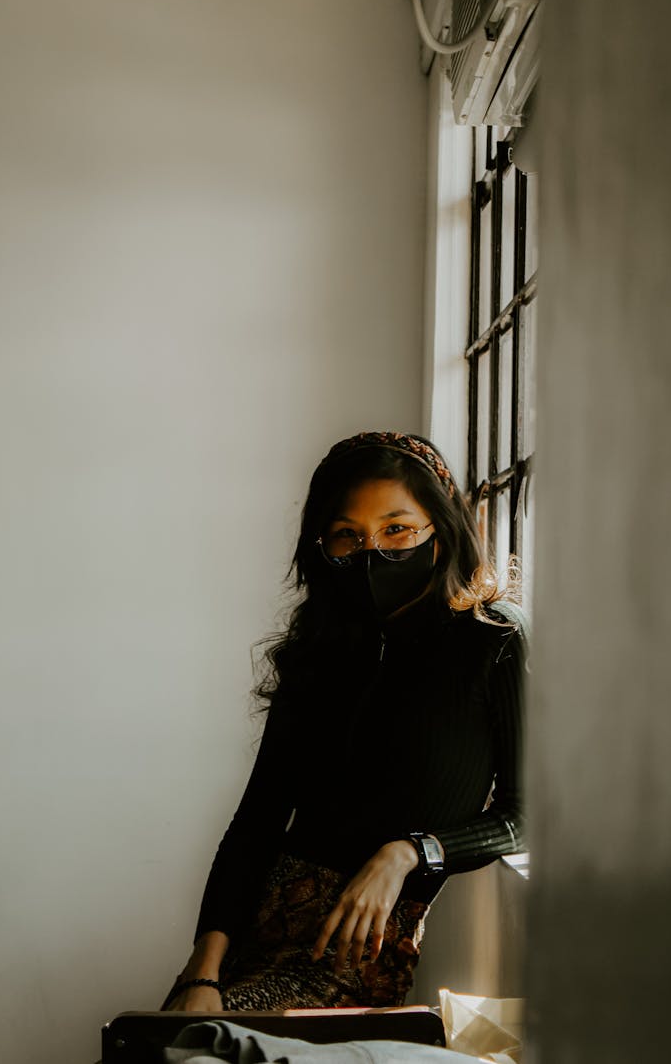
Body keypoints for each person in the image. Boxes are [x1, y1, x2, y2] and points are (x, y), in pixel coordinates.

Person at [162, 431, 526, 1013]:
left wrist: (408, 852)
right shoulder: (319, 652)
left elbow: (526, 815)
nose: (373, 551)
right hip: (251, 939)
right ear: (322, 546)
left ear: (441, 526)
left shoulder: (494, 638)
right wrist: (199, 972)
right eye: (347, 536)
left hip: (352, 957)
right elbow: (256, 822)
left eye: (397, 529)